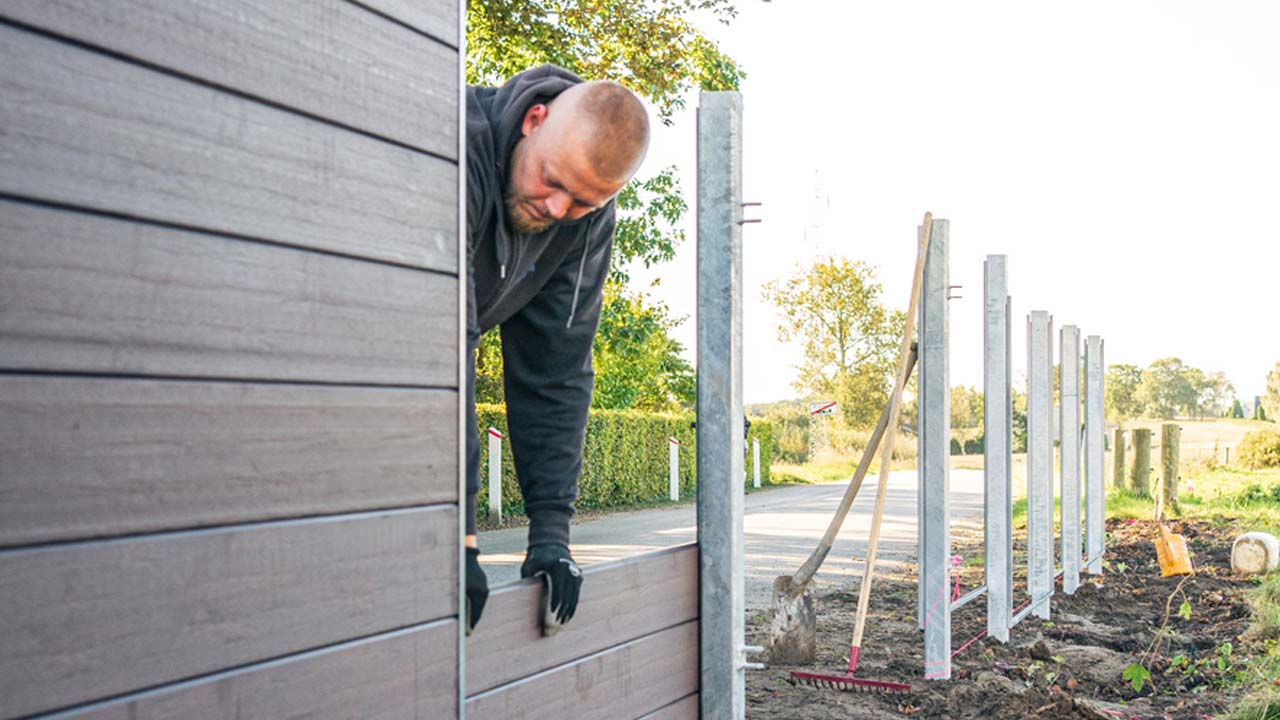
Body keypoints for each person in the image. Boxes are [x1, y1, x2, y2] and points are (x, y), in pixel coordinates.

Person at [463, 65, 650, 634]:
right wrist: (459, 535)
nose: (556, 210)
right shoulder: (453, 147)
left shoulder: (584, 220)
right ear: (532, 121)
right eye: (553, 181)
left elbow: (556, 368)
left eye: (583, 202)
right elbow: (436, 349)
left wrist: (551, 535)